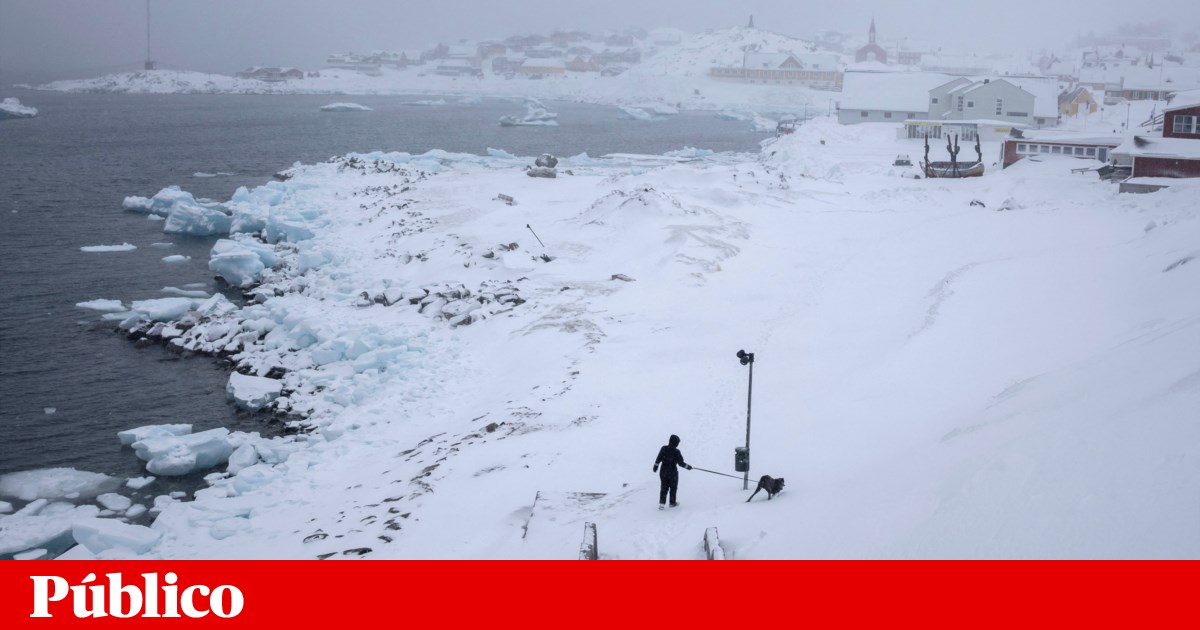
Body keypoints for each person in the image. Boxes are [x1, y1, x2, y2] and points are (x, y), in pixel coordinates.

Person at [653, 434, 692, 509]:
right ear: (676, 443)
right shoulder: (677, 452)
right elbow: (681, 463)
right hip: (672, 472)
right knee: (673, 487)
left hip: (663, 471)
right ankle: (672, 502)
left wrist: (655, 466)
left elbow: (658, 458)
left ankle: (662, 504)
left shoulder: (664, 448)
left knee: (664, 487)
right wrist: (688, 467)